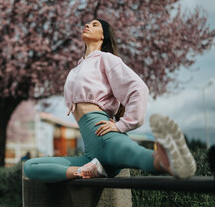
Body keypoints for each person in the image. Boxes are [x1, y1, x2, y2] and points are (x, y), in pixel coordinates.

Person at [24, 19, 196, 182]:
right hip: (92, 156)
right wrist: (85, 168)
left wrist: (123, 125)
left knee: (139, 156)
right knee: (30, 167)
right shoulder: (77, 69)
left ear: (103, 36)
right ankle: (84, 172)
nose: (87, 25)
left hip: (108, 138)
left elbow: (138, 88)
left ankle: (171, 162)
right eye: (88, 23)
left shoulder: (106, 59)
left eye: (95, 24)